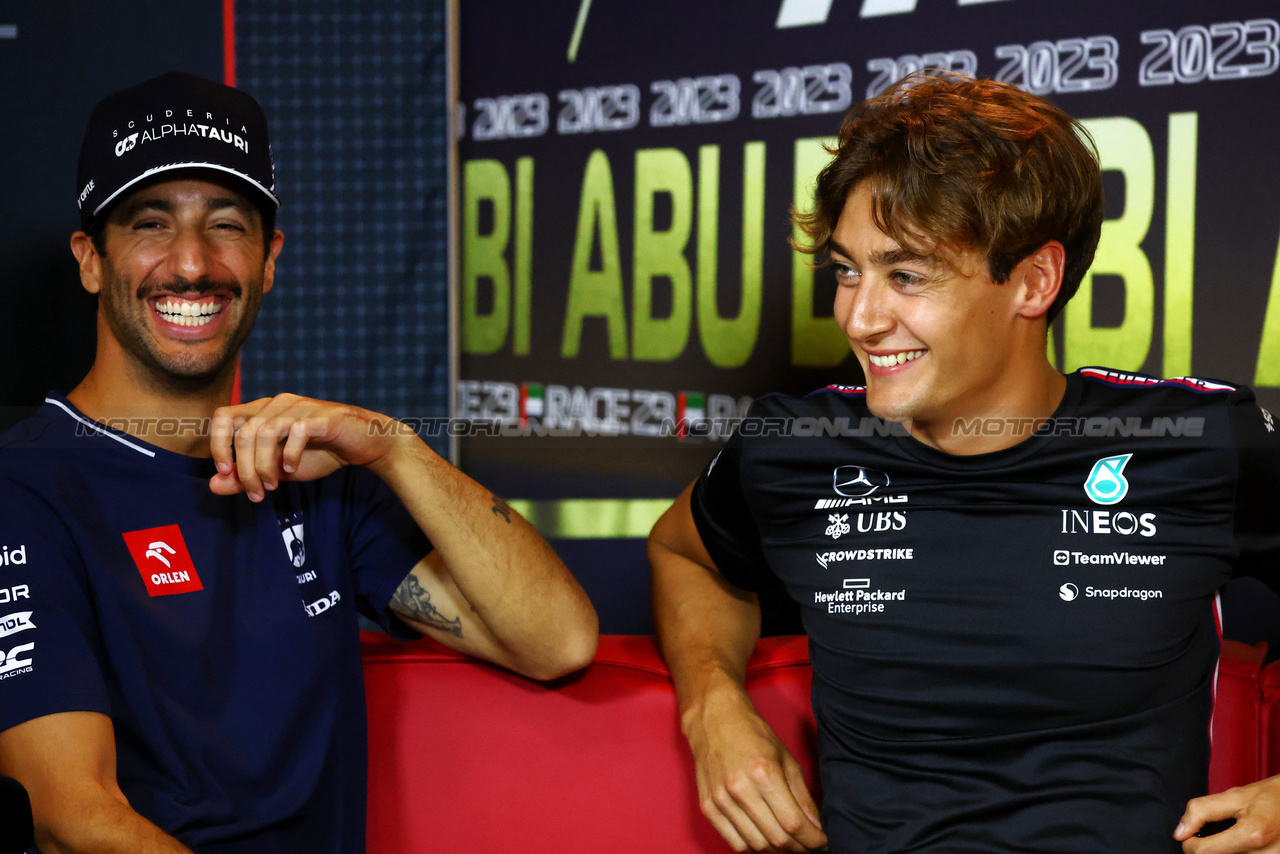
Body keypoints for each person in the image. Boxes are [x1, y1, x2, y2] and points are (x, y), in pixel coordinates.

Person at [648, 73, 1280, 854]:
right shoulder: (793, 447)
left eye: (907, 275)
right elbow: (684, 553)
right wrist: (711, 704)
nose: (861, 316)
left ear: (1034, 281)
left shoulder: (1200, 440)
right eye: (848, 270)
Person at [0, 71, 598, 853]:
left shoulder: (317, 473)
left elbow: (559, 641)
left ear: (269, 259)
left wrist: (393, 446)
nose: (191, 264)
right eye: (151, 224)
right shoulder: (28, 485)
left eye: (227, 225)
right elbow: (73, 818)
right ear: (90, 259)